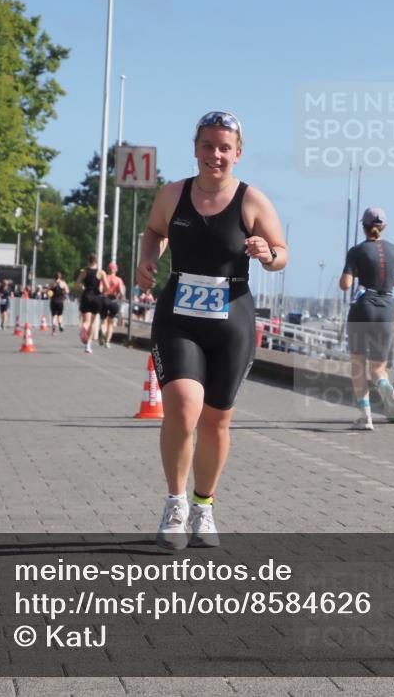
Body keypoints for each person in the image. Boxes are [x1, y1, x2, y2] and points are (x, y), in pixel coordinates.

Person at [136, 111, 286, 551]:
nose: (215, 155)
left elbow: (281, 254)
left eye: (224, 148)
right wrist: (148, 258)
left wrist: (267, 253)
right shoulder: (173, 194)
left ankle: (204, 505)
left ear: (238, 153)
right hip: (178, 316)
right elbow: (154, 231)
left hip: (231, 320)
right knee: (183, 408)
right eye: (207, 145)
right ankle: (175, 504)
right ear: (195, 148)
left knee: (217, 421)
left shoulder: (252, 200)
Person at [339, 207, 394, 430]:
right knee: (378, 368)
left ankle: (365, 417)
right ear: (384, 227)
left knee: (358, 365)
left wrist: (358, 274)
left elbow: (345, 284)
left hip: (363, 309)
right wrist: (390, 282)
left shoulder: (357, 251)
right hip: (386, 310)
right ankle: (383, 383)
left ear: (363, 226)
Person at [75, 255, 105, 354]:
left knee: (86, 321)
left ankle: (83, 328)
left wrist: (82, 287)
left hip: (86, 296)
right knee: (93, 322)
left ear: (88, 261)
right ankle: (88, 346)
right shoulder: (101, 272)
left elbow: (77, 284)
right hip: (96, 297)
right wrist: (101, 290)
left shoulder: (84, 271)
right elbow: (107, 286)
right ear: (96, 262)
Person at [99, 262, 125, 347]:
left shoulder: (104, 278)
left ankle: (103, 333)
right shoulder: (118, 280)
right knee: (111, 322)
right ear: (116, 270)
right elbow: (122, 292)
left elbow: (100, 290)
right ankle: (107, 342)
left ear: (108, 269)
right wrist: (118, 295)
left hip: (104, 300)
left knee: (103, 321)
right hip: (113, 301)